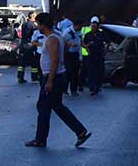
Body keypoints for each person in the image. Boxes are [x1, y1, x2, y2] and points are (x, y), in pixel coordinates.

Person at [25, 13, 92, 148]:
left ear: (43, 25)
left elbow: (55, 60)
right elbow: (66, 47)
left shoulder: (52, 40)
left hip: (52, 77)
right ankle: (80, 131)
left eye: (38, 24)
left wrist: (50, 81)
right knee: (57, 106)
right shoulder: (57, 37)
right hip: (57, 76)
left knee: (43, 107)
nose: (37, 27)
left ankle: (40, 139)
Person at [82, 16, 106, 96]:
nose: (93, 28)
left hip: (99, 56)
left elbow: (108, 42)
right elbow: (83, 43)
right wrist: (87, 46)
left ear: (97, 27)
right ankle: (92, 88)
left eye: (94, 26)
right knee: (91, 72)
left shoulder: (101, 34)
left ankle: (98, 86)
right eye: (92, 26)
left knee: (99, 72)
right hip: (91, 56)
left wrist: (106, 48)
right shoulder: (87, 35)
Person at [62, 20, 83, 96]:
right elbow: (62, 41)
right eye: (80, 26)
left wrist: (81, 55)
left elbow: (80, 42)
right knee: (68, 72)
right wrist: (70, 44)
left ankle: (73, 90)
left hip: (76, 54)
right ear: (75, 25)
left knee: (75, 73)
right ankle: (64, 90)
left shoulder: (79, 32)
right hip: (68, 54)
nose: (81, 28)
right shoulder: (67, 32)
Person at [16, 15, 35, 84]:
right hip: (30, 45)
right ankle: (34, 77)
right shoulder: (33, 25)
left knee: (22, 63)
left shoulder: (24, 24)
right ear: (32, 16)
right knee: (34, 62)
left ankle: (20, 77)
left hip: (23, 44)